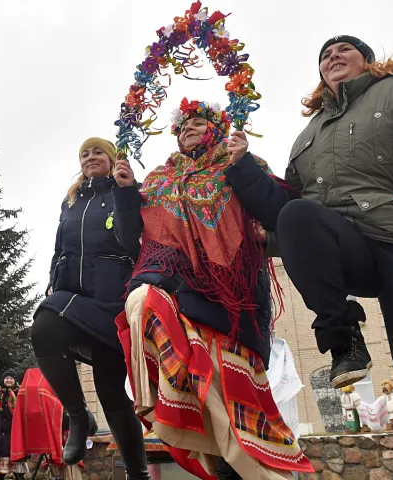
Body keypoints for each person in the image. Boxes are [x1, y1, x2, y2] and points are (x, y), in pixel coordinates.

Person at [221, 35, 393, 479]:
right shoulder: (308, 135)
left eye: (344, 51)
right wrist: (244, 174)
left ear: (370, 62)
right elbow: (297, 215)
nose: (333, 57)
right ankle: (343, 339)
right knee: (296, 211)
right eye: (324, 56)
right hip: (352, 246)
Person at [112, 99, 312, 480]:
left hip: (231, 303)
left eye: (198, 122)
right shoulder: (157, 180)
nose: (188, 128)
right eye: (182, 125)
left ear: (217, 127)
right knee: (141, 301)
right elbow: (128, 241)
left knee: (237, 410)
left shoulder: (238, 161)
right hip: (179, 295)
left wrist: (244, 166)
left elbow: (277, 213)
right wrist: (124, 192)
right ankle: (172, 411)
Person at [30, 137, 148, 480]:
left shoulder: (125, 192)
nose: (90, 157)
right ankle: (79, 416)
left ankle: (137, 473)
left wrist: (127, 193)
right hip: (72, 296)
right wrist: (53, 278)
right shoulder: (71, 201)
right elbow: (58, 247)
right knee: (44, 328)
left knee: (111, 393)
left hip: (112, 297)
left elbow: (132, 243)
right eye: (85, 153)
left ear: (112, 160)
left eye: (98, 152)